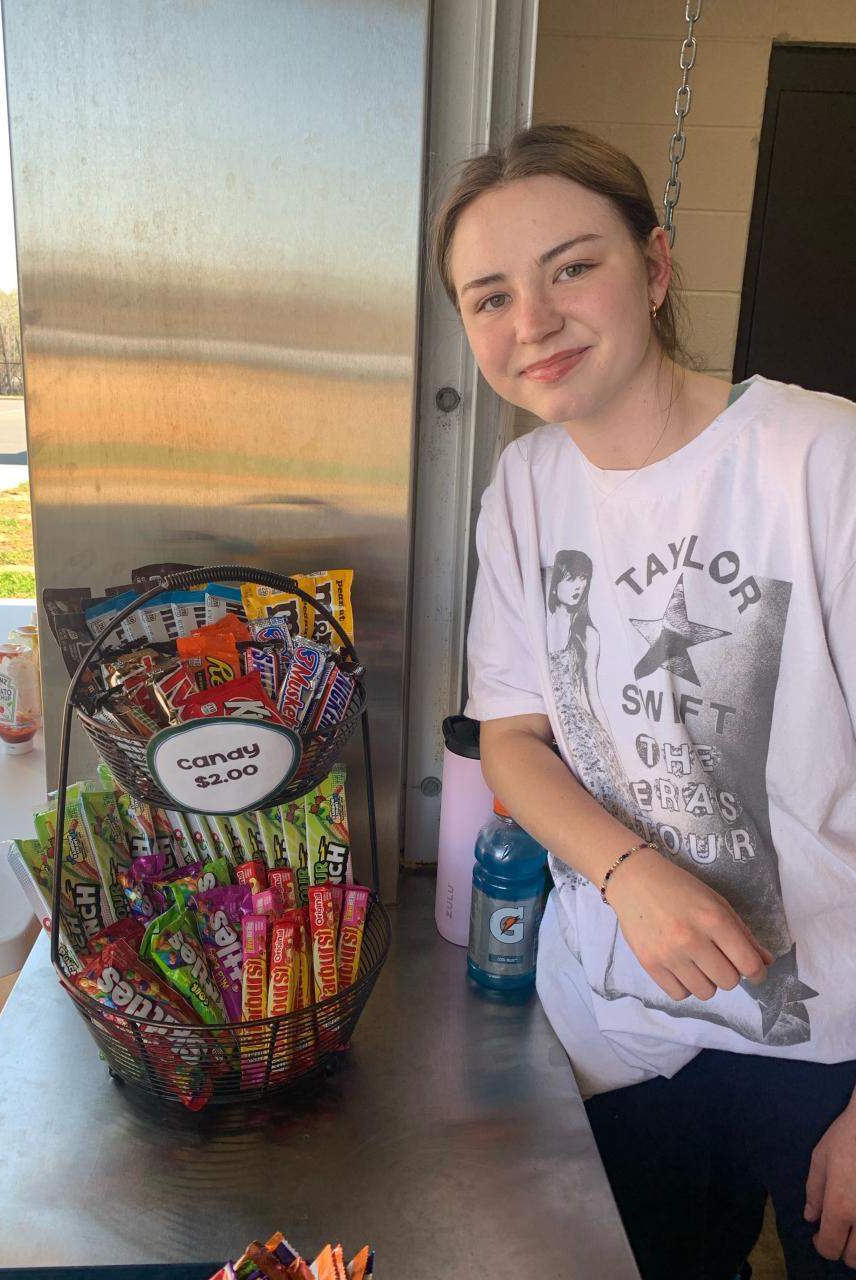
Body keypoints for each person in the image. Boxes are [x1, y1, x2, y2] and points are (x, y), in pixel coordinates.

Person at [432, 123, 856, 1278]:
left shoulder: (821, 462)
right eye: (490, 296)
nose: (532, 322)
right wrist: (629, 872)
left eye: (572, 267)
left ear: (656, 267)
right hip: (617, 1036)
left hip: (831, 1047)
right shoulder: (525, 485)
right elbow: (512, 735)